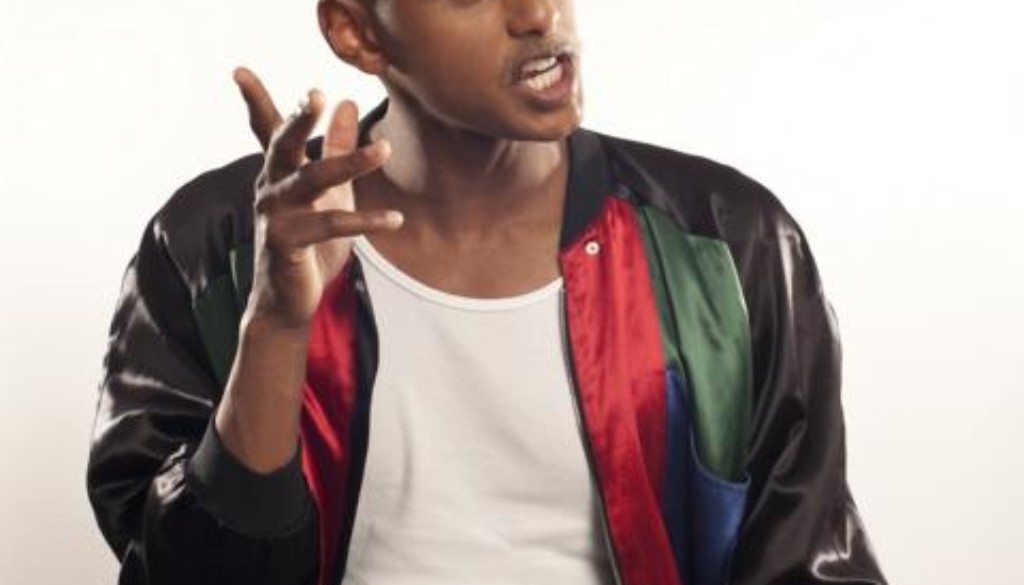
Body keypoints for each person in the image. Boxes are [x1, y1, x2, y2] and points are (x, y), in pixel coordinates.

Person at [87, 1, 888, 584]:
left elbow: (805, 555)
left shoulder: (725, 242)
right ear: (358, 32)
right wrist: (275, 324)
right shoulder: (215, 244)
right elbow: (182, 570)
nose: (539, 15)